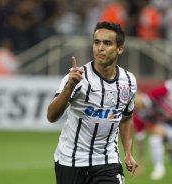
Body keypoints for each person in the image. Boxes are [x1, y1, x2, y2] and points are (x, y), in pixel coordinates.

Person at [47, 21, 138, 184]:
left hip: (107, 161)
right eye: (97, 42)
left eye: (107, 43)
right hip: (71, 161)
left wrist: (128, 152)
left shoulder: (129, 81)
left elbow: (126, 118)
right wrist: (70, 87)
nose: (100, 47)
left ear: (120, 49)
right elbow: (51, 116)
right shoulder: (77, 77)